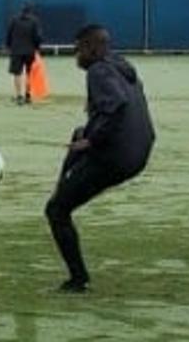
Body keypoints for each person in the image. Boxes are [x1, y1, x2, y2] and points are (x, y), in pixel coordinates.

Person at [42, 24, 155, 292]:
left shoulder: (98, 70)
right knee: (78, 134)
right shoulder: (120, 65)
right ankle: (63, 185)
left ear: (89, 48)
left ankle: (77, 279)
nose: (75, 56)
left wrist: (93, 140)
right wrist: (89, 133)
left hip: (116, 156)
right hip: (140, 150)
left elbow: (117, 105)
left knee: (56, 211)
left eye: (77, 49)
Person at [3, 2, 43, 105]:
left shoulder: (14, 20)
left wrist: (8, 46)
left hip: (16, 50)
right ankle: (28, 95)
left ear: (21, 10)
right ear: (30, 11)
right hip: (30, 51)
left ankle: (19, 96)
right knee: (29, 73)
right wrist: (37, 48)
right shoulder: (34, 21)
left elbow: (9, 34)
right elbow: (37, 37)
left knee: (17, 73)